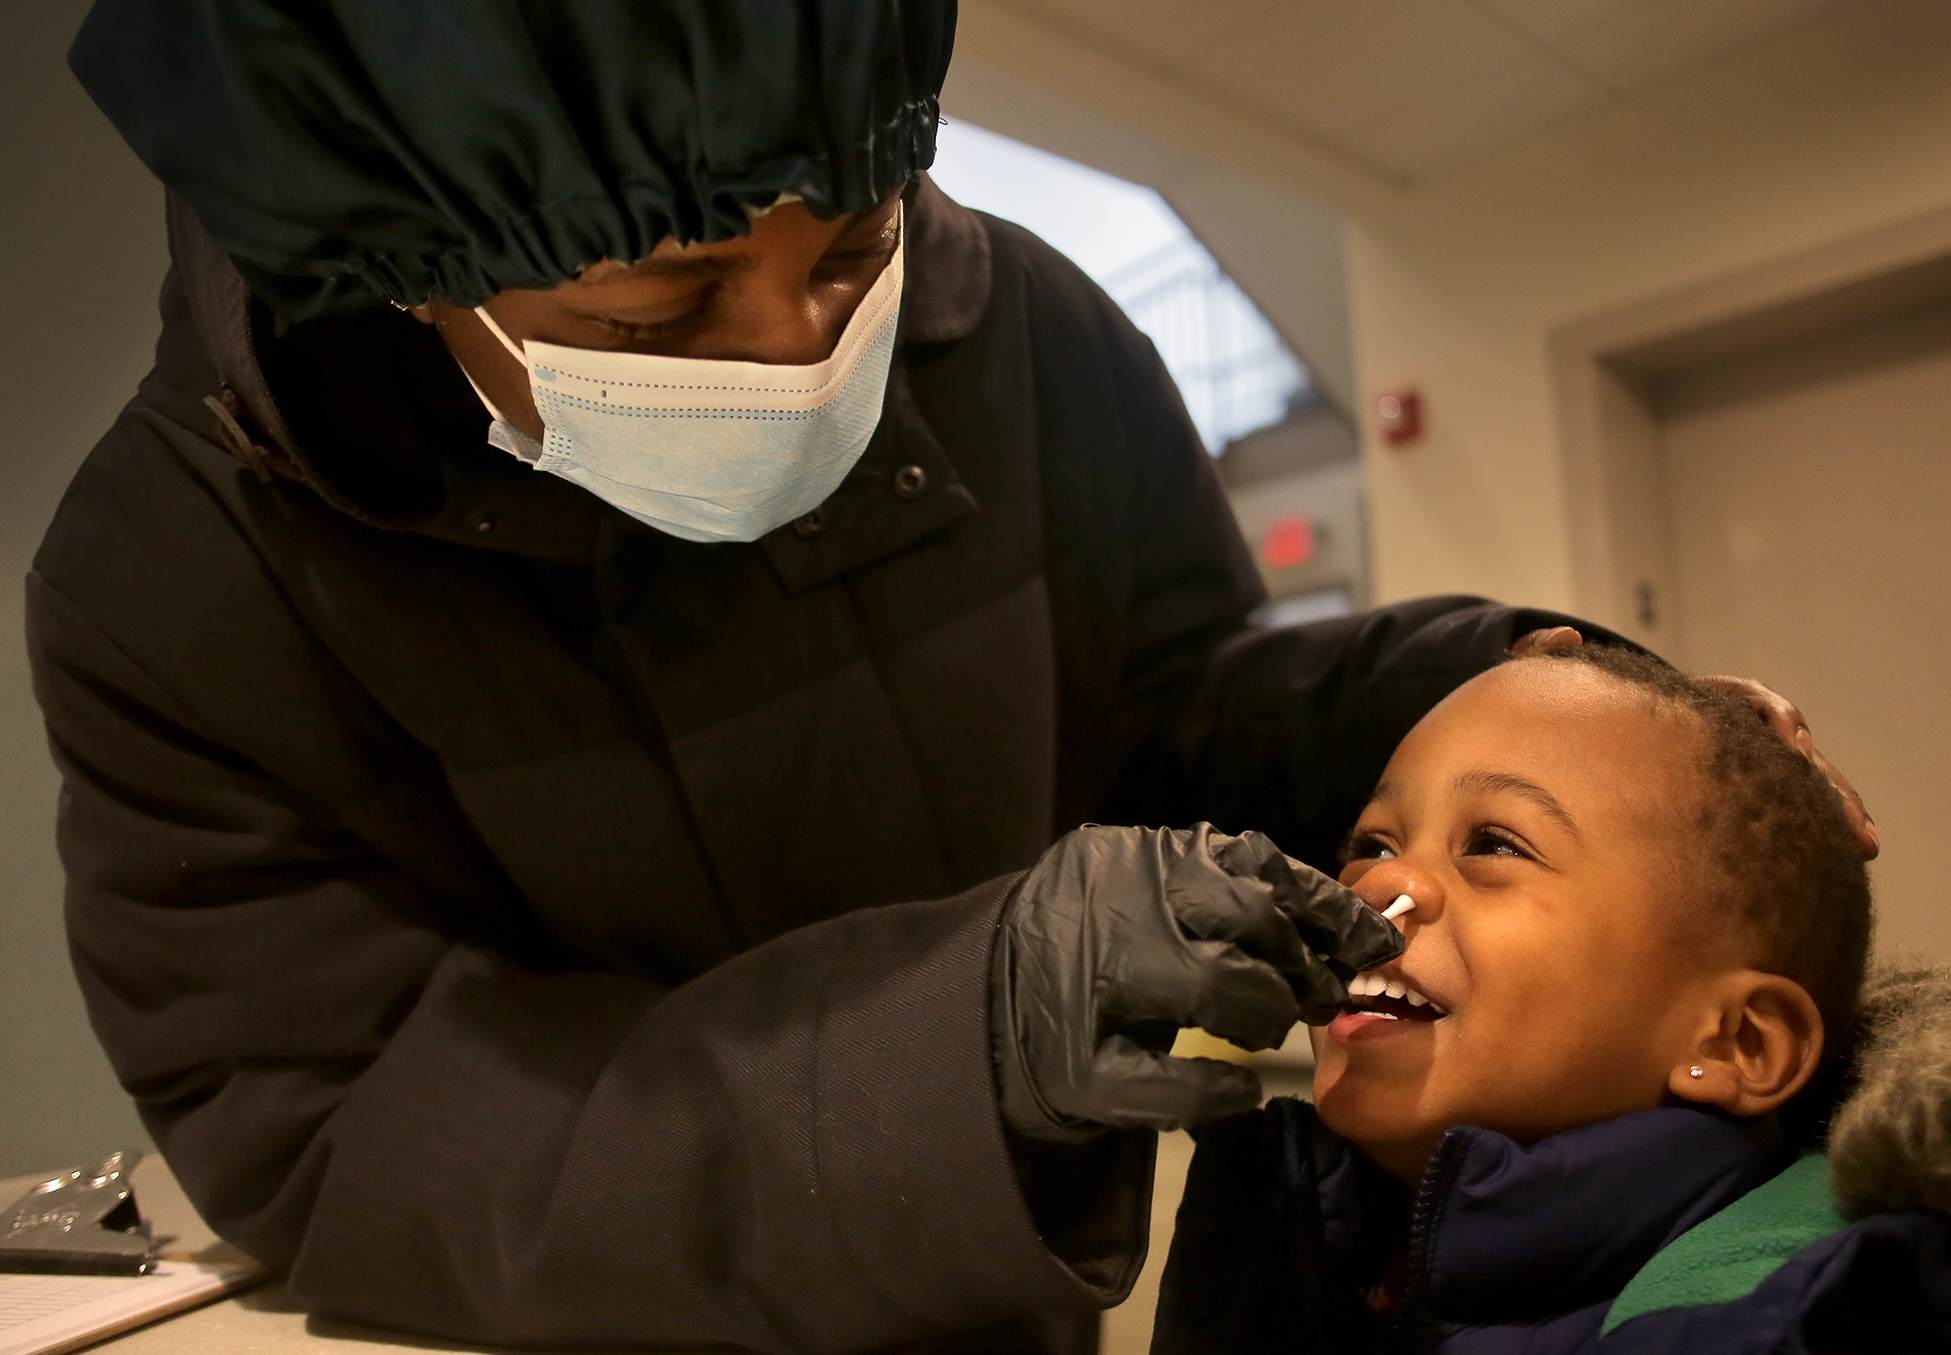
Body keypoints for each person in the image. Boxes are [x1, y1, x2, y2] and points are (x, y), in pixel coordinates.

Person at [29, 2, 1870, 1352]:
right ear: (398, 267)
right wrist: (949, 1045)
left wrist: (1493, 682)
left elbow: (1182, 701)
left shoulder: (1027, 334)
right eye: (659, 313)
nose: (804, 350)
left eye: (852, 245)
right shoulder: (175, 584)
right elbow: (343, 1133)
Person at [1152, 646, 1949, 1353]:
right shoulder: (1279, 1249)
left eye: (1494, 845)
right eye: (1372, 844)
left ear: (1734, 1042)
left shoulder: (1796, 1318)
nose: (1375, 886)